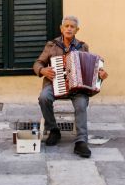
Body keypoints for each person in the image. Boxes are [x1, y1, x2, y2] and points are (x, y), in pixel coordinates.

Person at [33, 15, 108, 158]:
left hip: (77, 88)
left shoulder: (83, 46)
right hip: (55, 83)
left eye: (72, 27)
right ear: (61, 28)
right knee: (44, 98)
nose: (68, 28)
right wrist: (43, 70)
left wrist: (100, 74)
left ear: (77, 30)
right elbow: (38, 63)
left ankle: (81, 141)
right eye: (66, 26)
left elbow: (91, 68)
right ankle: (54, 130)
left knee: (81, 103)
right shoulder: (52, 45)